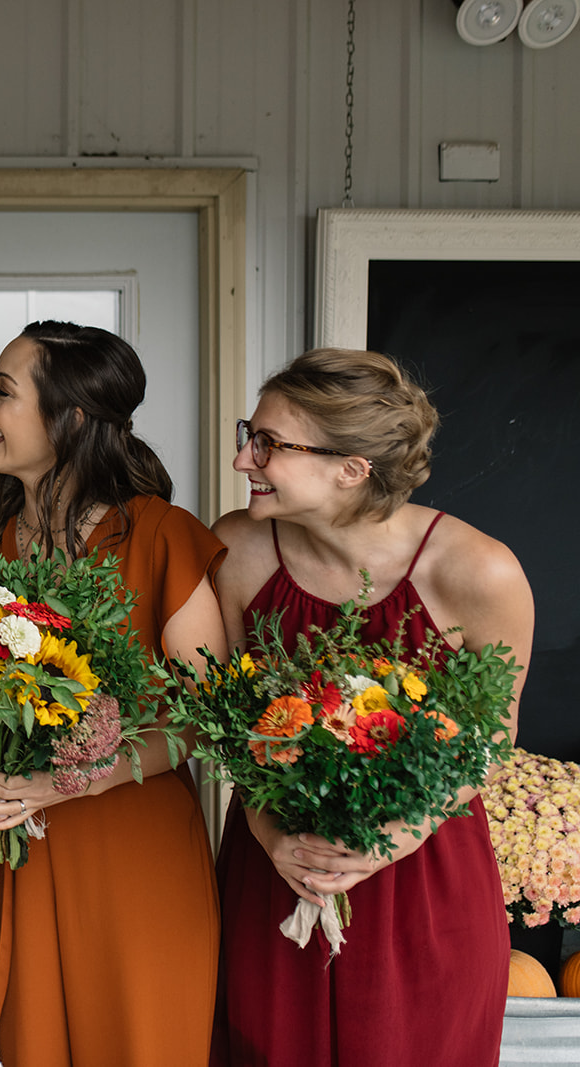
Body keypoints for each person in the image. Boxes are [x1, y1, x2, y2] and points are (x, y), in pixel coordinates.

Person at [209, 348, 533, 1067]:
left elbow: (493, 734)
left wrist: (392, 838)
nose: (243, 460)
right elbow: (228, 727)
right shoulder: (234, 551)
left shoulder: (479, 570)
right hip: (276, 870)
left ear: (351, 468)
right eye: (248, 433)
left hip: (421, 882)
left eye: (268, 443)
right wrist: (272, 840)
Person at [0, 321, 224, 1067]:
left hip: (135, 853)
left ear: (71, 419)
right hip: (16, 859)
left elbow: (202, 718)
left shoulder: (161, 537)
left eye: (3, 391)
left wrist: (60, 783)